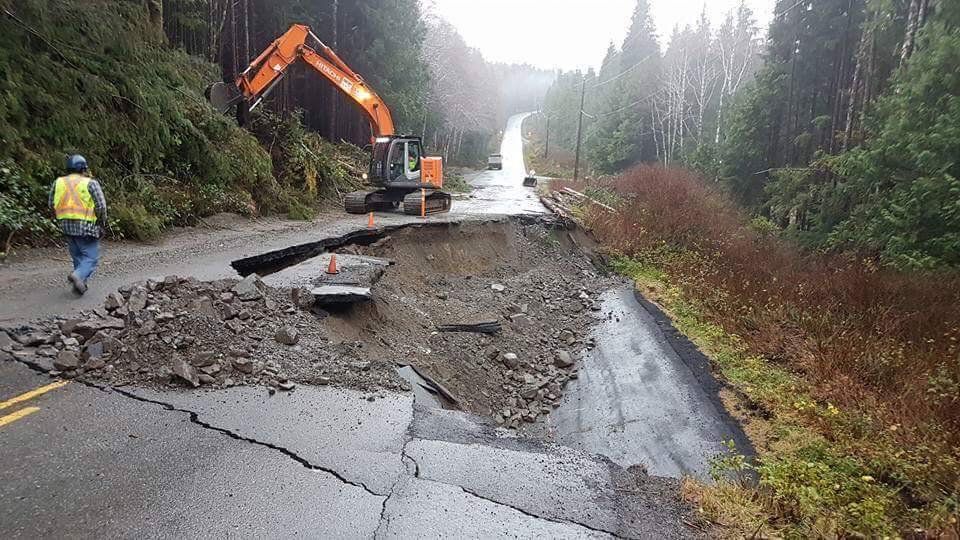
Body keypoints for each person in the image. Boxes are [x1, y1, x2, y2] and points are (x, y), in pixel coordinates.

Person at [49, 155, 107, 295]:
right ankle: (78, 276)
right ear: (83, 168)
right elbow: (101, 206)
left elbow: (51, 203)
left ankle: (79, 284)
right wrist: (102, 222)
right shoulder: (90, 183)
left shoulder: (59, 182)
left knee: (77, 256)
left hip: (66, 225)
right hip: (85, 226)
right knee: (90, 258)